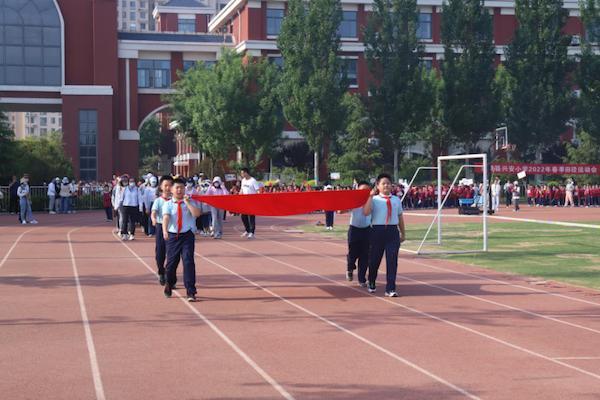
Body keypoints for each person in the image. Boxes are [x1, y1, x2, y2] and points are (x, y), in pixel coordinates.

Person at [362, 173, 406, 297]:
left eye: (388, 183)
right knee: (375, 259)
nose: (386, 185)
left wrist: (403, 233)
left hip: (392, 232)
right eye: (383, 183)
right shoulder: (374, 200)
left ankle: (390, 288)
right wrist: (370, 197)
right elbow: (366, 212)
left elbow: (400, 217)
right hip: (377, 231)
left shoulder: (396, 200)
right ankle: (371, 280)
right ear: (378, 185)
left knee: (392, 260)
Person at [162, 178, 201, 302]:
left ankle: (190, 291)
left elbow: (196, 214)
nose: (179, 190)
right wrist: (165, 230)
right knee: (171, 264)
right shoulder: (167, 204)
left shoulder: (190, 202)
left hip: (187, 235)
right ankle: (169, 283)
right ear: (172, 190)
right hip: (173, 236)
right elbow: (166, 218)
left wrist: (188, 203)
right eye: (177, 188)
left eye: (182, 188)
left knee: (188, 261)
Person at [346, 181, 372, 285]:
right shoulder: (353, 200)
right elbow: (341, 210)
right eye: (362, 190)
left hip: (367, 230)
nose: (364, 192)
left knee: (365, 256)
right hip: (354, 230)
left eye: (367, 190)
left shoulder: (372, 200)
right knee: (353, 254)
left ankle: (362, 279)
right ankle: (350, 267)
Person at [151, 175, 174, 286]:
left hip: (172, 228)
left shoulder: (175, 200)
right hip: (160, 227)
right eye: (166, 185)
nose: (168, 188)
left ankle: (171, 278)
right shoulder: (158, 201)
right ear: (161, 186)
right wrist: (154, 219)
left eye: (170, 185)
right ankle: (161, 272)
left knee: (172, 255)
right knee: (160, 254)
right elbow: (153, 212)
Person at [240, 168, 259, 239]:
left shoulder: (253, 181)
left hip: (252, 201)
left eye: (242, 173)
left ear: (246, 173)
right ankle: (247, 230)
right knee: (243, 216)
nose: (241, 175)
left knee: (251, 217)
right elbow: (242, 190)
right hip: (244, 201)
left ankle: (252, 232)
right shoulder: (243, 180)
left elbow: (257, 191)